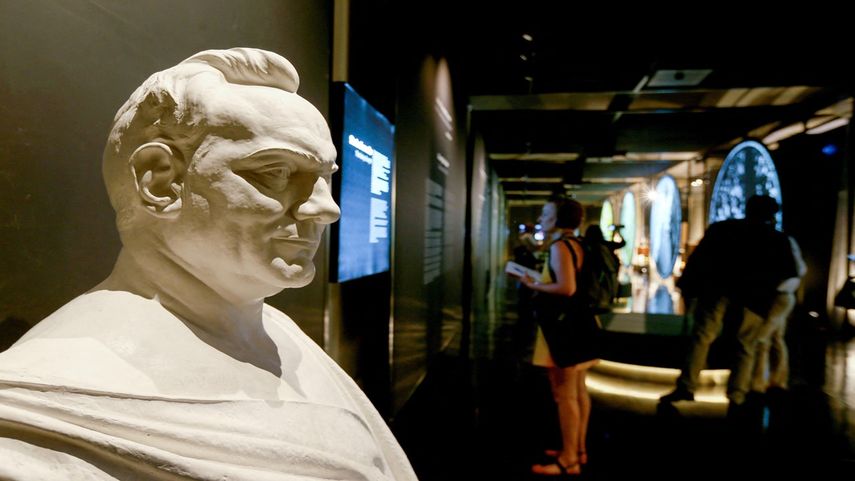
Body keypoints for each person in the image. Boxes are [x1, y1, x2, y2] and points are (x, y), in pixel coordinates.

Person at [0, 48, 417, 481]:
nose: (325, 208)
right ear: (160, 180)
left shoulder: (283, 335)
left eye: (324, 178)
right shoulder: (38, 413)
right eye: (275, 171)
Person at [660, 195, 799, 408]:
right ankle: (737, 394)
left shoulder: (722, 229)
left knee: (702, 337)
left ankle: (687, 386)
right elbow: (789, 272)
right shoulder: (776, 239)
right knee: (746, 345)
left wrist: (687, 289)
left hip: (716, 292)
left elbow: (700, 260)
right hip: (754, 299)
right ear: (771, 214)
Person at [520, 197, 599, 476]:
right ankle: (577, 449)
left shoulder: (559, 247)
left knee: (564, 395)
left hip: (564, 330)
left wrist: (534, 285)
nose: (542, 218)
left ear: (559, 219)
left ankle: (568, 461)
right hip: (582, 327)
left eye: (546, 213)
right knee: (578, 392)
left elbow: (566, 288)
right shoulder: (578, 244)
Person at [750, 235, 807, 394]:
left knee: (761, 339)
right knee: (776, 338)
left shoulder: (777, 243)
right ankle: (777, 380)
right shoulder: (787, 241)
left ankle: (758, 382)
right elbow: (801, 269)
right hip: (785, 295)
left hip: (779, 295)